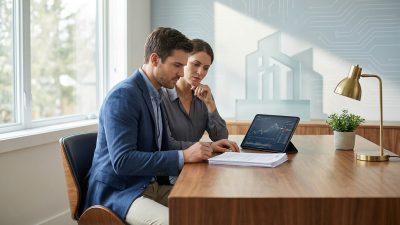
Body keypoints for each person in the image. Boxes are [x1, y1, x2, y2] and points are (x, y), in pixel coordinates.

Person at [84, 27, 238, 225]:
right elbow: (123, 161)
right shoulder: (124, 96)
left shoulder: (154, 94)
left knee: (212, 209)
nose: (182, 73)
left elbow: (164, 145)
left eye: (183, 66)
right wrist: (183, 156)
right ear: (155, 59)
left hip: (151, 185)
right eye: (177, 65)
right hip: (120, 192)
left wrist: (208, 147)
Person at [162, 39, 237, 151]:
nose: (201, 72)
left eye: (206, 68)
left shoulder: (204, 96)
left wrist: (210, 104)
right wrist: (209, 146)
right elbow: (165, 144)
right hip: (170, 165)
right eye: (196, 64)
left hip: (196, 164)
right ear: (183, 61)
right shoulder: (161, 96)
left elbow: (221, 138)